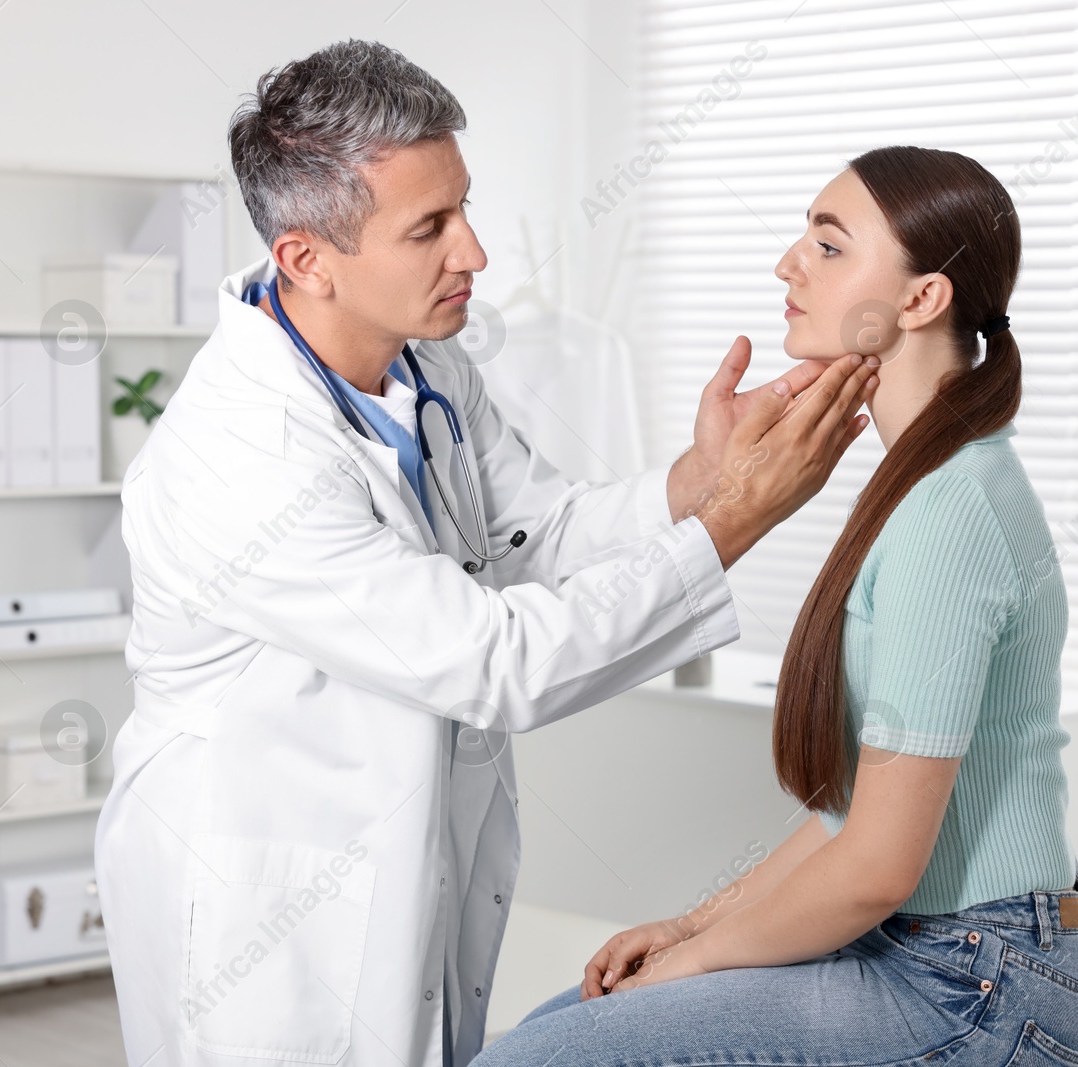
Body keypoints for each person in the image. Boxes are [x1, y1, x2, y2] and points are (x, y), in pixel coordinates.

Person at [92, 41, 879, 1067]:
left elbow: (532, 536)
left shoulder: (424, 364)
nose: (474, 252)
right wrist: (732, 521)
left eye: (462, 207)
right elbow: (495, 659)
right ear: (305, 260)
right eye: (429, 228)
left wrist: (696, 481)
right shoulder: (241, 457)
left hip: (402, 864)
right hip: (268, 909)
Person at [470, 146, 1078, 1067]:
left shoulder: (952, 507)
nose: (788, 264)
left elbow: (877, 868)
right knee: (548, 1030)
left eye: (829, 244)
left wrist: (694, 962)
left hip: (980, 985)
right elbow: (854, 817)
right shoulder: (923, 481)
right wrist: (690, 928)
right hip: (940, 955)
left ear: (922, 299)